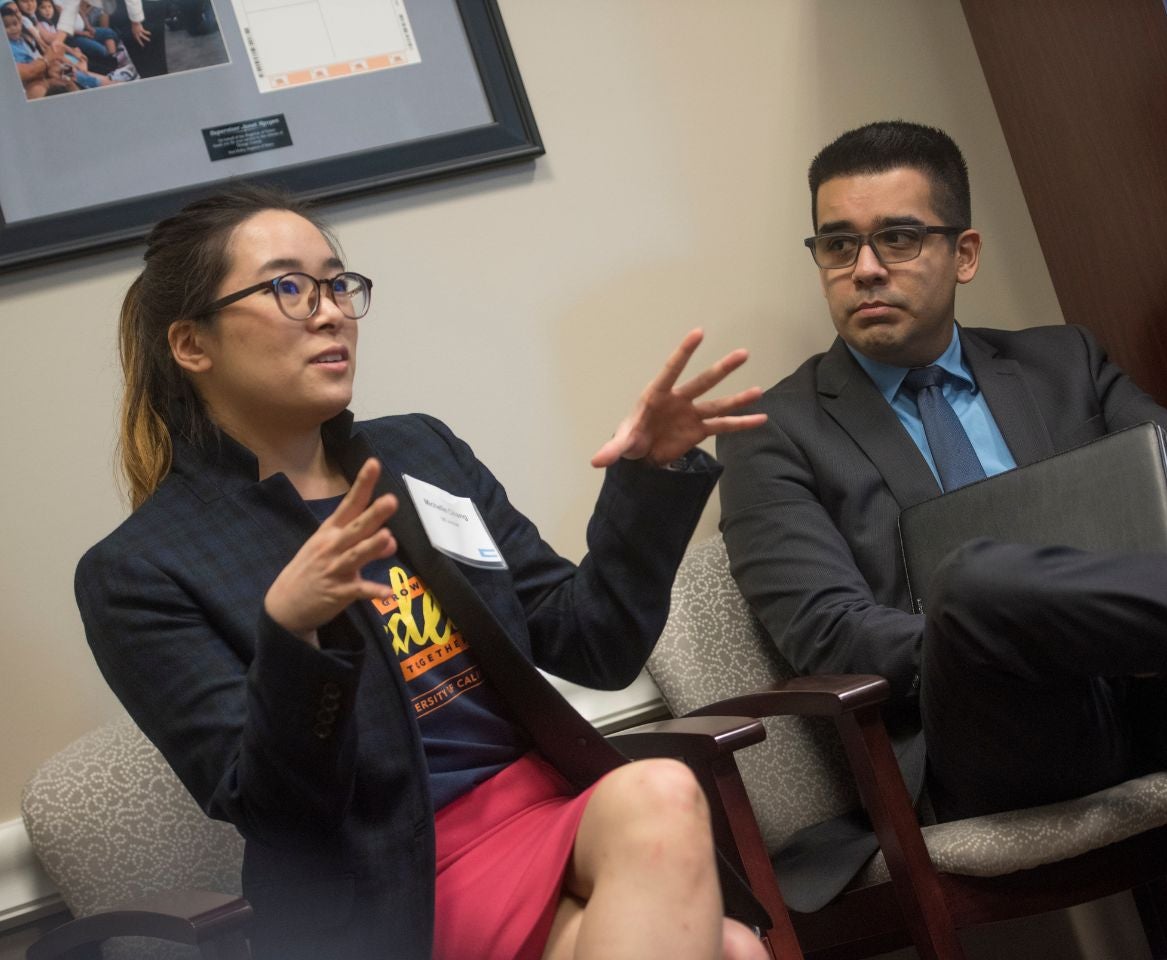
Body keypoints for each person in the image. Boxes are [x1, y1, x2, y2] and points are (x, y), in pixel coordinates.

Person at [76, 184, 771, 960]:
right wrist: (295, 636)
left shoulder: (416, 453)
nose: (332, 310)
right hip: (390, 881)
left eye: (338, 283)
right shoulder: (139, 570)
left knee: (701, 887)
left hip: (546, 812)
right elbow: (275, 810)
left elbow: (591, 645)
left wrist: (649, 479)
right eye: (288, 288)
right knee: (725, 934)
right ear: (191, 345)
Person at [716, 120, 1167, 910]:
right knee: (975, 579)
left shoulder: (1063, 362)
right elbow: (832, 633)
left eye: (898, 239)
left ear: (966, 253)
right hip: (1003, 737)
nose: (865, 270)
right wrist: (1045, 632)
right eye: (838, 246)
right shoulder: (775, 435)